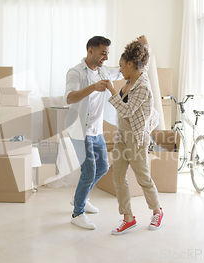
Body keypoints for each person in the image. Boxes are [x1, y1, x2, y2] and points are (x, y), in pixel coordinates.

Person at [106, 35, 163, 235]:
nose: (120, 69)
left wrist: (111, 90)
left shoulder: (143, 86)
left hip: (137, 138)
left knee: (142, 177)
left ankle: (157, 211)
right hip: (122, 136)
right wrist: (145, 43)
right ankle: (128, 217)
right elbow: (144, 61)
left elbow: (127, 111)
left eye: (122, 65)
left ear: (131, 64)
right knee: (118, 176)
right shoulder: (135, 74)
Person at [64, 36, 122, 230]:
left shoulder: (104, 70)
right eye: (102, 52)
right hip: (79, 130)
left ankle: (80, 198)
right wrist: (92, 88)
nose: (105, 57)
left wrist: (142, 46)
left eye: (107, 53)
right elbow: (70, 98)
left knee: (103, 167)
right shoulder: (75, 72)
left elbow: (121, 69)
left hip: (96, 130)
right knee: (88, 171)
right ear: (90, 51)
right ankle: (77, 213)